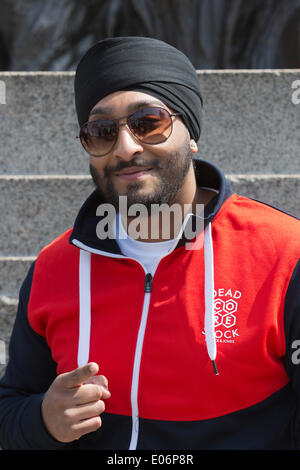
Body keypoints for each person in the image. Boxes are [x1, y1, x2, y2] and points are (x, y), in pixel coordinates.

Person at [0, 36, 300, 451]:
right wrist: (44, 420)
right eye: (102, 131)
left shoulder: (286, 253)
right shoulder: (55, 267)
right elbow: (9, 409)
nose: (126, 147)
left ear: (190, 134)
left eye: (149, 122)